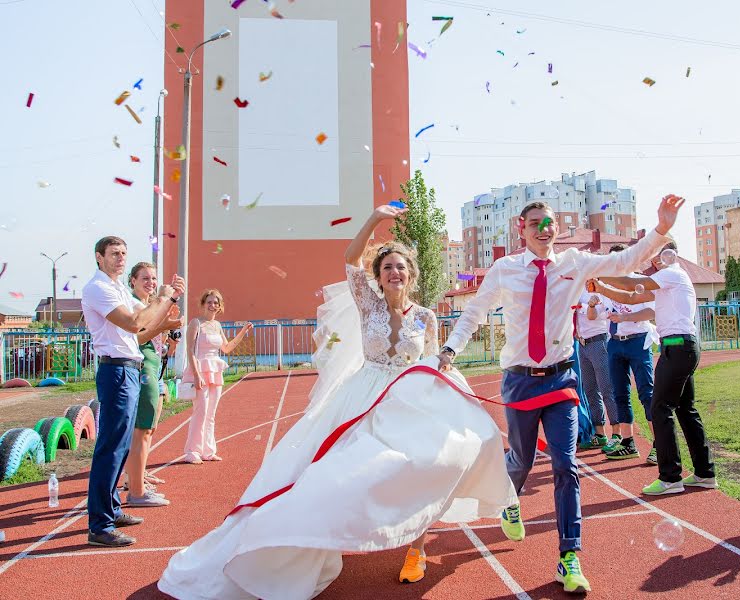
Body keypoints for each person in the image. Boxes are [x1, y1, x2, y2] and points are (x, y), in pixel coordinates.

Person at [158, 205, 516, 599]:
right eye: (387, 268)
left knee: (424, 468)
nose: (395, 273)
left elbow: (430, 357)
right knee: (339, 474)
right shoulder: (368, 304)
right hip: (365, 396)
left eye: (401, 267)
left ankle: (416, 547)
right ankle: (315, 536)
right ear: (379, 278)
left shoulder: (427, 317)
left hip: (411, 397)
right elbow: (350, 260)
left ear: (411, 276)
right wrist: (375, 219)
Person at [438, 195, 684, 594]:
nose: (543, 229)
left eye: (548, 222)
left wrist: (660, 230)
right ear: (521, 228)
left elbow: (625, 263)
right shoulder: (505, 269)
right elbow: (474, 312)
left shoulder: (573, 263)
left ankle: (569, 556)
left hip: (560, 380)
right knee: (521, 457)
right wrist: (451, 349)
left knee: (566, 465)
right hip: (519, 379)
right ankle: (510, 499)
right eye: (534, 222)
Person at [81, 236, 184, 547]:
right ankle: (100, 525)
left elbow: (144, 327)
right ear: (99, 257)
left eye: (123, 253)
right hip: (115, 370)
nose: (120, 258)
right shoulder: (97, 288)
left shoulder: (119, 288)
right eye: (114, 254)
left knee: (123, 446)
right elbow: (132, 323)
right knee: (111, 448)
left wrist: (169, 299)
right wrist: (161, 297)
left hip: (129, 367)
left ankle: (112, 508)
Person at [598, 240, 716, 496]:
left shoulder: (672, 273)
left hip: (678, 346)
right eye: (653, 255)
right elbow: (629, 295)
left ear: (671, 254)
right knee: (686, 409)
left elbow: (629, 284)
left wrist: (595, 270)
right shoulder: (665, 282)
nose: (654, 259)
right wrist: (600, 287)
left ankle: (670, 477)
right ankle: (705, 473)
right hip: (679, 346)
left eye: (659, 253)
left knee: (660, 408)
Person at [123, 261, 182, 506]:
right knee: (142, 428)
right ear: (133, 281)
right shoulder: (135, 305)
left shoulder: (151, 305)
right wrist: (166, 323)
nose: (151, 283)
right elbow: (139, 336)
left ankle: (138, 475)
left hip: (155, 365)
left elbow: (161, 337)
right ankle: (134, 486)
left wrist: (170, 330)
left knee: (150, 428)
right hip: (142, 365)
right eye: (145, 279)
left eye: (154, 279)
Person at [596, 244, 658, 462]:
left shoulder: (638, 281)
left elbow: (652, 311)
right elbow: (599, 311)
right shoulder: (608, 285)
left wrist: (625, 318)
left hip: (637, 342)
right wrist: (595, 307)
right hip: (614, 342)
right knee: (619, 394)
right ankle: (628, 442)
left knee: (646, 393)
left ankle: (659, 443)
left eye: (620, 260)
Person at [182, 290, 253, 464]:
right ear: (203, 304)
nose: (212, 305)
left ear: (219, 306)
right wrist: (197, 375)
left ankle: (208, 450)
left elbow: (227, 348)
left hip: (215, 370)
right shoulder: (195, 323)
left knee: (211, 413)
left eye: (216, 303)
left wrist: (243, 331)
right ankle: (192, 451)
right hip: (200, 369)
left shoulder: (217, 326)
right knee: (201, 410)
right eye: (209, 302)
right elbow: (190, 350)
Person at [575, 278, 616, 451]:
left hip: (599, 343)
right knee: (590, 390)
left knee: (607, 389)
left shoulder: (602, 292)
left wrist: (587, 306)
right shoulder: (578, 290)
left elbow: (592, 316)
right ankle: (600, 433)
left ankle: (618, 433)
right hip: (583, 345)